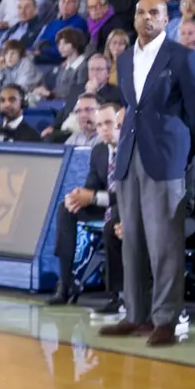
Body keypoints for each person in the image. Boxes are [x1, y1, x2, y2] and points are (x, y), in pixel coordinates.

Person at [100, 0, 195, 347]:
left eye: (155, 13)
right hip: (130, 154)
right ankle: (136, 315)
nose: (147, 18)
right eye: (141, 12)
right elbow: (133, 106)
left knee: (165, 245)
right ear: (134, 18)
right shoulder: (126, 58)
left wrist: (180, 151)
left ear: (167, 19)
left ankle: (165, 319)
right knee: (131, 239)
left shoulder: (183, 58)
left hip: (166, 158)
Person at [48, 100, 123, 305]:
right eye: (99, 125)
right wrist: (78, 195)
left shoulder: (133, 147)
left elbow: (131, 195)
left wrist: (93, 197)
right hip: (108, 204)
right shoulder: (99, 151)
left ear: (121, 123)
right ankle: (65, 283)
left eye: (108, 123)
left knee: (114, 218)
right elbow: (92, 185)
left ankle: (118, 294)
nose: (104, 129)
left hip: (128, 208)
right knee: (66, 208)